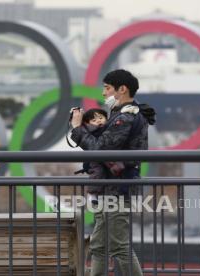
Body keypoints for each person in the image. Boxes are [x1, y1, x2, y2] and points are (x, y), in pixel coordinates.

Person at [70, 69, 155, 276]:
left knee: (119, 246)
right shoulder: (122, 115)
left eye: (107, 88)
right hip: (107, 189)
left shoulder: (125, 118)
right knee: (98, 246)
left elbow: (99, 149)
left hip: (117, 190)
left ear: (122, 89)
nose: (103, 93)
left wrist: (77, 129)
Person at [73, 108, 125, 204]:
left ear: (107, 118)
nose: (98, 121)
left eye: (101, 118)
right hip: (96, 161)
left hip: (108, 160)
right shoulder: (90, 131)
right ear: (88, 123)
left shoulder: (110, 128)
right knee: (98, 173)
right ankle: (93, 194)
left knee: (112, 173)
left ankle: (99, 195)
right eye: (94, 120)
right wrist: (77, 116)